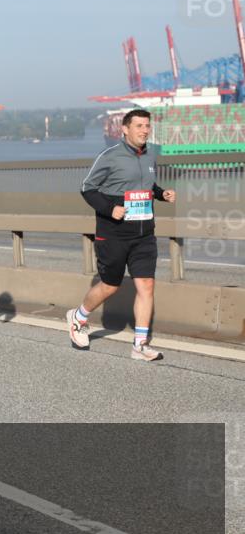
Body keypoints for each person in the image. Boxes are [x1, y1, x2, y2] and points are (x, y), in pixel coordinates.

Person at [66, 108, 175, 361]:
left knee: (146, 285)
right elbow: (87, 188)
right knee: (109, 286)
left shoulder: (150, 156)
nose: (145, 130)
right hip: (113, 233)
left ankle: (140, 344)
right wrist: (109, 208)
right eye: (139, 126)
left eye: (147, 126)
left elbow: (147, 186)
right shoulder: (110, 156)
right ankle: (78, 317)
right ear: (125, 129)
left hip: (144, 233)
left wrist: (161, 194)